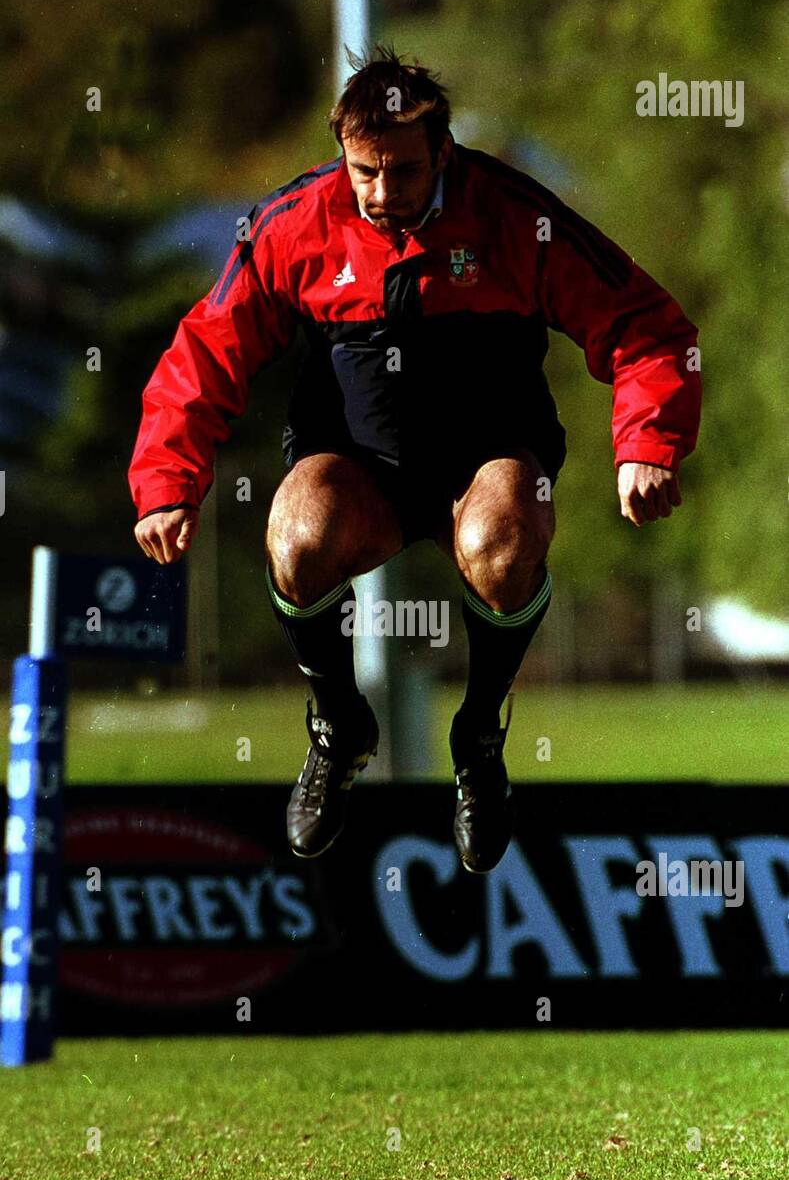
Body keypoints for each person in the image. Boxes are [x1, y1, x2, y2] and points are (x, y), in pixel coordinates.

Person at [129, 47, 701, 874]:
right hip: (361, 471)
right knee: (295, 535)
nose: (381, 192)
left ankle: (477, 736)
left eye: (402, 171)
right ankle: (338, 726)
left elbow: (647, 326)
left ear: (444, 149)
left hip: (488, 463)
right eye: (364, 171)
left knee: (506, 529)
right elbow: (204, 352)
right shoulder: (295, 223)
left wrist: (645, 444)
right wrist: (165, 483)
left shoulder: (513, 215)